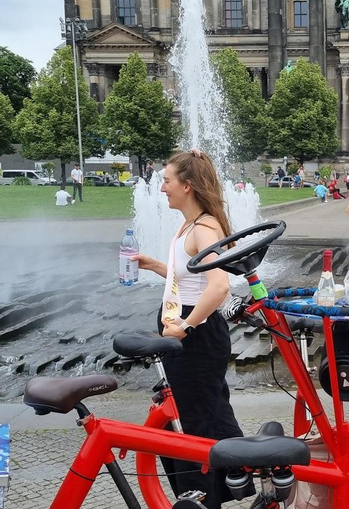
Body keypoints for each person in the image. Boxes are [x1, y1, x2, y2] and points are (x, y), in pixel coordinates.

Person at [132, 149, 245, 509]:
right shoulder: (189, 225)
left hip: (196, 339)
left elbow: (219, 286)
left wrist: (184, 326)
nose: (161, 187)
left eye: (167, 180)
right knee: (203, 415)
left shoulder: (204, 228)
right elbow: (191, 279)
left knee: (190, 426)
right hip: (192, 335)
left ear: (188, 185)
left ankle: (201, 499)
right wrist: (157, 266)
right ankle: (236, 480)